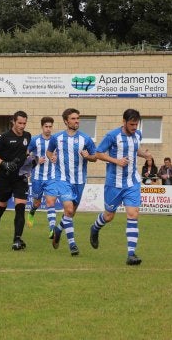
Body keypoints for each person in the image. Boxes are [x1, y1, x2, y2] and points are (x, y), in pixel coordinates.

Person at [89, 109, 151, 266]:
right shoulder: (112, 136)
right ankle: (95, 228)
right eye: (131, 124)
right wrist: (116, 161)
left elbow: (134, 149)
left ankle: (131, 254)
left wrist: (145, 155)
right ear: (123, 122)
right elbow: (97, 153)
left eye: (136, 124)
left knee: (133, 214)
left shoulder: (138, 135)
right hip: (114, 183)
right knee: (109, 216)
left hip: (132, 182)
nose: (134, 127)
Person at [47, 109, 97, 256]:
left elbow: (95, 157)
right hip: (62, 179)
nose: (77, 121)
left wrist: (88, 156)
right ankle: (72, 245)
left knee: (70, 214)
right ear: (66, 121)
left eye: (78, 118)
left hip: (80, 181)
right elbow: (49, 152)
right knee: (68, 210)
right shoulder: (56, 138)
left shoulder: (86, 139)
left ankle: (57, 229)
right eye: (73, 119)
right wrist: (51, 158)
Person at [0, 110, 32, 250]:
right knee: (1, 205)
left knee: (20, 208)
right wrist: (3, 163)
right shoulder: (3, 137)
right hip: (5, 178)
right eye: (19, 123)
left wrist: (30, 162)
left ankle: (17, 240)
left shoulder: (27, 136)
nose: (22, 126)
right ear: (13, 121)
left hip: (20, 178)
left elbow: (25, 153)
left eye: (24, 123)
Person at [26, 116, 55, 230]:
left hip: (51, 176)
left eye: (50, 126)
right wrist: (36, 159)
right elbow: (26, 154)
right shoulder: (34, 140)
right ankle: (32, 212)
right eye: (46, 126)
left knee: (50, 202)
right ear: (42, 127)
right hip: (37, 177)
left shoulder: (55, 140)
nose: (48, 129)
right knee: (37, 203)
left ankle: (52, 228)